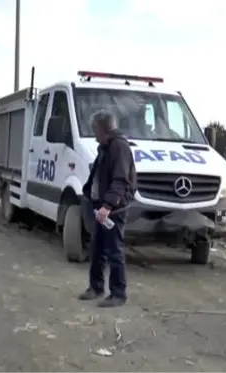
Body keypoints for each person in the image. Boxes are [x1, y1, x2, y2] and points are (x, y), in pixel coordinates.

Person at [78, 109, 136, 308]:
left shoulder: (119, 147)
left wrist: (108, 205)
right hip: (101, 207)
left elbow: (120, 180)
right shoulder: (106, 146)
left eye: (94, 128)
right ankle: (96, 287)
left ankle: (118, 293)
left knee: (114, 251)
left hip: (113, 210)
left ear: (102, 128)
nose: (93, 133)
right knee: (97, 249)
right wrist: (88, 193)